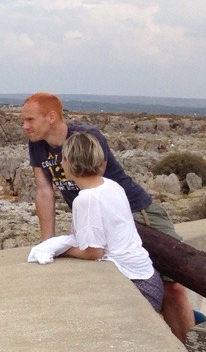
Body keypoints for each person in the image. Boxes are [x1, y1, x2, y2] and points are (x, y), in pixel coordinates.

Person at [21, 92, 194, 341]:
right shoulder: (37, 143)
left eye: (30, 119)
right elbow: (44, 190)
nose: (25, 126)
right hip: (104, 217)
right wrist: (47, 245)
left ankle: (189, 351)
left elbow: (98, 179)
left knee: (173, 286)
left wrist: (63, 247)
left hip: (138, 211)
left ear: (51, 117)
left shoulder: (85, 139)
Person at [52, 131, 166, 313]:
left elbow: (93, 251)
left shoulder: (86, 199)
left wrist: (61, 249)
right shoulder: (111, 185)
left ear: (71, 163)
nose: (60, 163)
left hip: (133, 282)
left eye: (63, 158)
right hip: (148, 277)